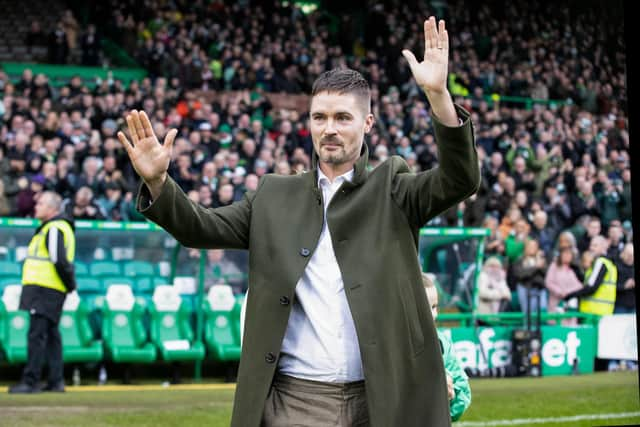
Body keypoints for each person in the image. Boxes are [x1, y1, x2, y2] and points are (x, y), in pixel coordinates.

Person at [118, 17, 479, 427]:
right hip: (294, 401)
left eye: (343, 118)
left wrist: (438, 97)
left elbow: (459, 180)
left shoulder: (393, 186)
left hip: (381, 399)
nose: (329, 129)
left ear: (367, 124)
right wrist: (159, 182)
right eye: (319, 117)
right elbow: (197, 227)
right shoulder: (273, 195)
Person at [8, 191, 77, 394]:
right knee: (52, 335)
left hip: (45, 289)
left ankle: (31, 381)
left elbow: (59, 261)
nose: (36, 206)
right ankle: (56, 381)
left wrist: (70, 284)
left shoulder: (55, 228)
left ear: (52, 208)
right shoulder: (55, 227)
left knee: (36, 335)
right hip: (50, 289)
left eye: (40, 204)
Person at [423, 273, 472, 421]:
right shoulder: (393, 341)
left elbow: (463, 392)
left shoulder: (442, 342)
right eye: (426, 307)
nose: (434, 314)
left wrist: (451, 393)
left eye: (435, 307)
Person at [564, 235, 618, 316]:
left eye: (595, 245)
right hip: (603, 311)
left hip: (593, 312)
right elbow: (588, 281)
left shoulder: (600, 262)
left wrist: (570, 295)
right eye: (591, 245)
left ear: (604, 247)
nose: (591, 248)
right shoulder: (609, 264)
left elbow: (591, 287)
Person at [544, 246, 584, 326]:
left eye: (569, 254)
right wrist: (560, 292)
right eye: (565, 254)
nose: (567, 256)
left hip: (570, 303)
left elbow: (580, 285)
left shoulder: (573, 269)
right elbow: (548, 282)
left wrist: (569, 293)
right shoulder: (554, 266)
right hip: (556, 302)